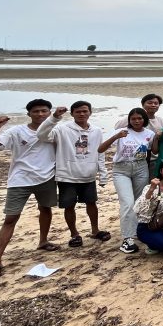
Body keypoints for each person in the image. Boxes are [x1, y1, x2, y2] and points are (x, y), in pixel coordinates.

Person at [0, 99, 58, 279]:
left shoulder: (55, 131)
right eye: (36, 111)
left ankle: (43, 241)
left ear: (50, 113)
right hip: (19, 179)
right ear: (29, 114)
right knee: (11, 218)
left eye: (44, 111)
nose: (40, 114)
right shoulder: (17, 131)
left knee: (45, 209)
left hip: (47, 177)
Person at [37, 101, 110, 248]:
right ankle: (74, 234)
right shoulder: (62, 129)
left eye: (85, 111)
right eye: (78, 112)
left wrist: (103, 173)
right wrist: (54, 118)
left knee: (92, 203)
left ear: (90, 112)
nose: (82, 114)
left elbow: (100, 152)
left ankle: (95, 230)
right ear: (72, 114)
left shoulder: (96, 130)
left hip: (88, 175)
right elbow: (42, 135)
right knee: (69, 206)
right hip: (67, 175)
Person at [98, 107, 157, 254]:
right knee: (127, 203)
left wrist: (158, 137)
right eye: (133, 119)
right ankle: (127, 238)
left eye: (139, 118)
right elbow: (100, 149)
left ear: (144, 119)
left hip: (141, 168)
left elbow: (154, 151)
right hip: (121, 169)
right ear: (129, 120)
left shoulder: (149, 133)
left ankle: (137, 231)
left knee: (139, 202)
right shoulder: (122, 131)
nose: (136, 121)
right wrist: (116, 137)